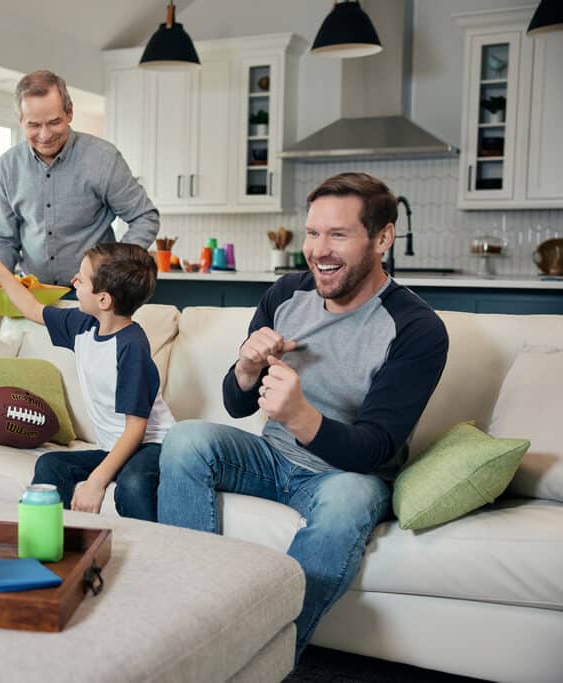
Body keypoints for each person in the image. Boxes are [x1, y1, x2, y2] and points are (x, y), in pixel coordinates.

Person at [156, 173, 449, 657]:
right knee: (185, 440)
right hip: (270, 458)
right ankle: (190, 619)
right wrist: (247, 368)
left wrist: (299, 415)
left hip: (344, 475)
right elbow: (237, 403)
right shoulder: (287, 294)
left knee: (351, 502)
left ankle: (260, 652)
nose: (319, 250)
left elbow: (376, 447)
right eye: (313, 233)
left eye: (338, 235)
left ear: (382, 238)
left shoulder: (417, 329)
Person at [0, 216, 174, 521]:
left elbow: (135, 429)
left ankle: (152, 558)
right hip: (113, 447)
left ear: (103, 299)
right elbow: (30, 306)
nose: (74, 281)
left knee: (131, 486)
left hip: (152, 447)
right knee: (51, 466)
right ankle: (48, 544)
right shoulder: (83, 325)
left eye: (82, 278)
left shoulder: (131, 346)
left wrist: (96, 481)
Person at [0, 69, 160, 287]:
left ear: (69, 113)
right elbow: (5, 240)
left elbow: (145, 217)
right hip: (33, 295)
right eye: (34, 125)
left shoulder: (103, 159)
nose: (45, 135)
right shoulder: (7, 166)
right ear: (20, 121)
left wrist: (115, 266)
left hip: (95, 295)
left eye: (53, 122)